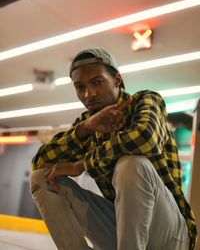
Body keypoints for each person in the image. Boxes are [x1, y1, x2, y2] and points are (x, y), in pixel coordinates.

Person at [30, 48, 197, 250]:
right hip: (123, 230)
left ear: (117, 80)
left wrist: (82, 164)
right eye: (80, 87)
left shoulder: (145, 101)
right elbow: (39, 161)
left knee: (131, 163)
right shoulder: (87, 123)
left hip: (169, 235)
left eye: (97, 82)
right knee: (41, 177)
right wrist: (86, 128)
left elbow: (145, 138)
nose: (88, 94)